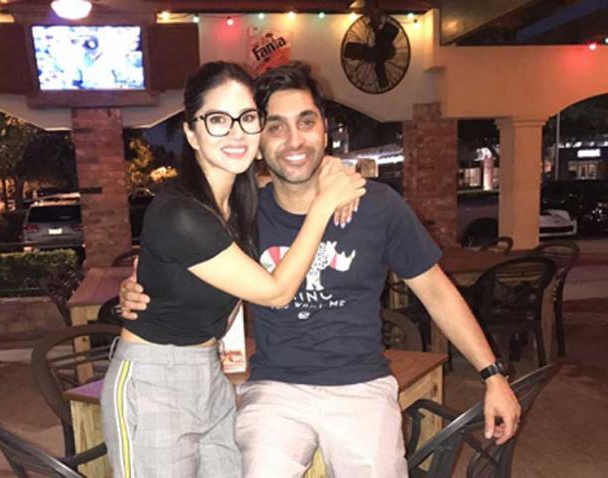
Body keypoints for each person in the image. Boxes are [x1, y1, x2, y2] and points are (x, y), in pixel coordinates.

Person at [119, 62, 521, 478]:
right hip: (275, 389)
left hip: (361, 385)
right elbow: (178, 260)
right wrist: (136, 288)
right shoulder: (244, 214)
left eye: (306, 122)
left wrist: (492, 375)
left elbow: (435, 290)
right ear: (259, 143)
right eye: (276, 127)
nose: (294, 140)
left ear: (325, 131)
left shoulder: (377, 205)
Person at [100, 61, 366, 478]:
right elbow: (276, 291)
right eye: (218, 120)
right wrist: (325, 204)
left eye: (246, 117)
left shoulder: (241, 204)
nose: (236, 132)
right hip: (152, 381)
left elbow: (301, 175)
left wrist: (334, 170)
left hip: (210, 373)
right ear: (192, 133)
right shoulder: (180, 214)